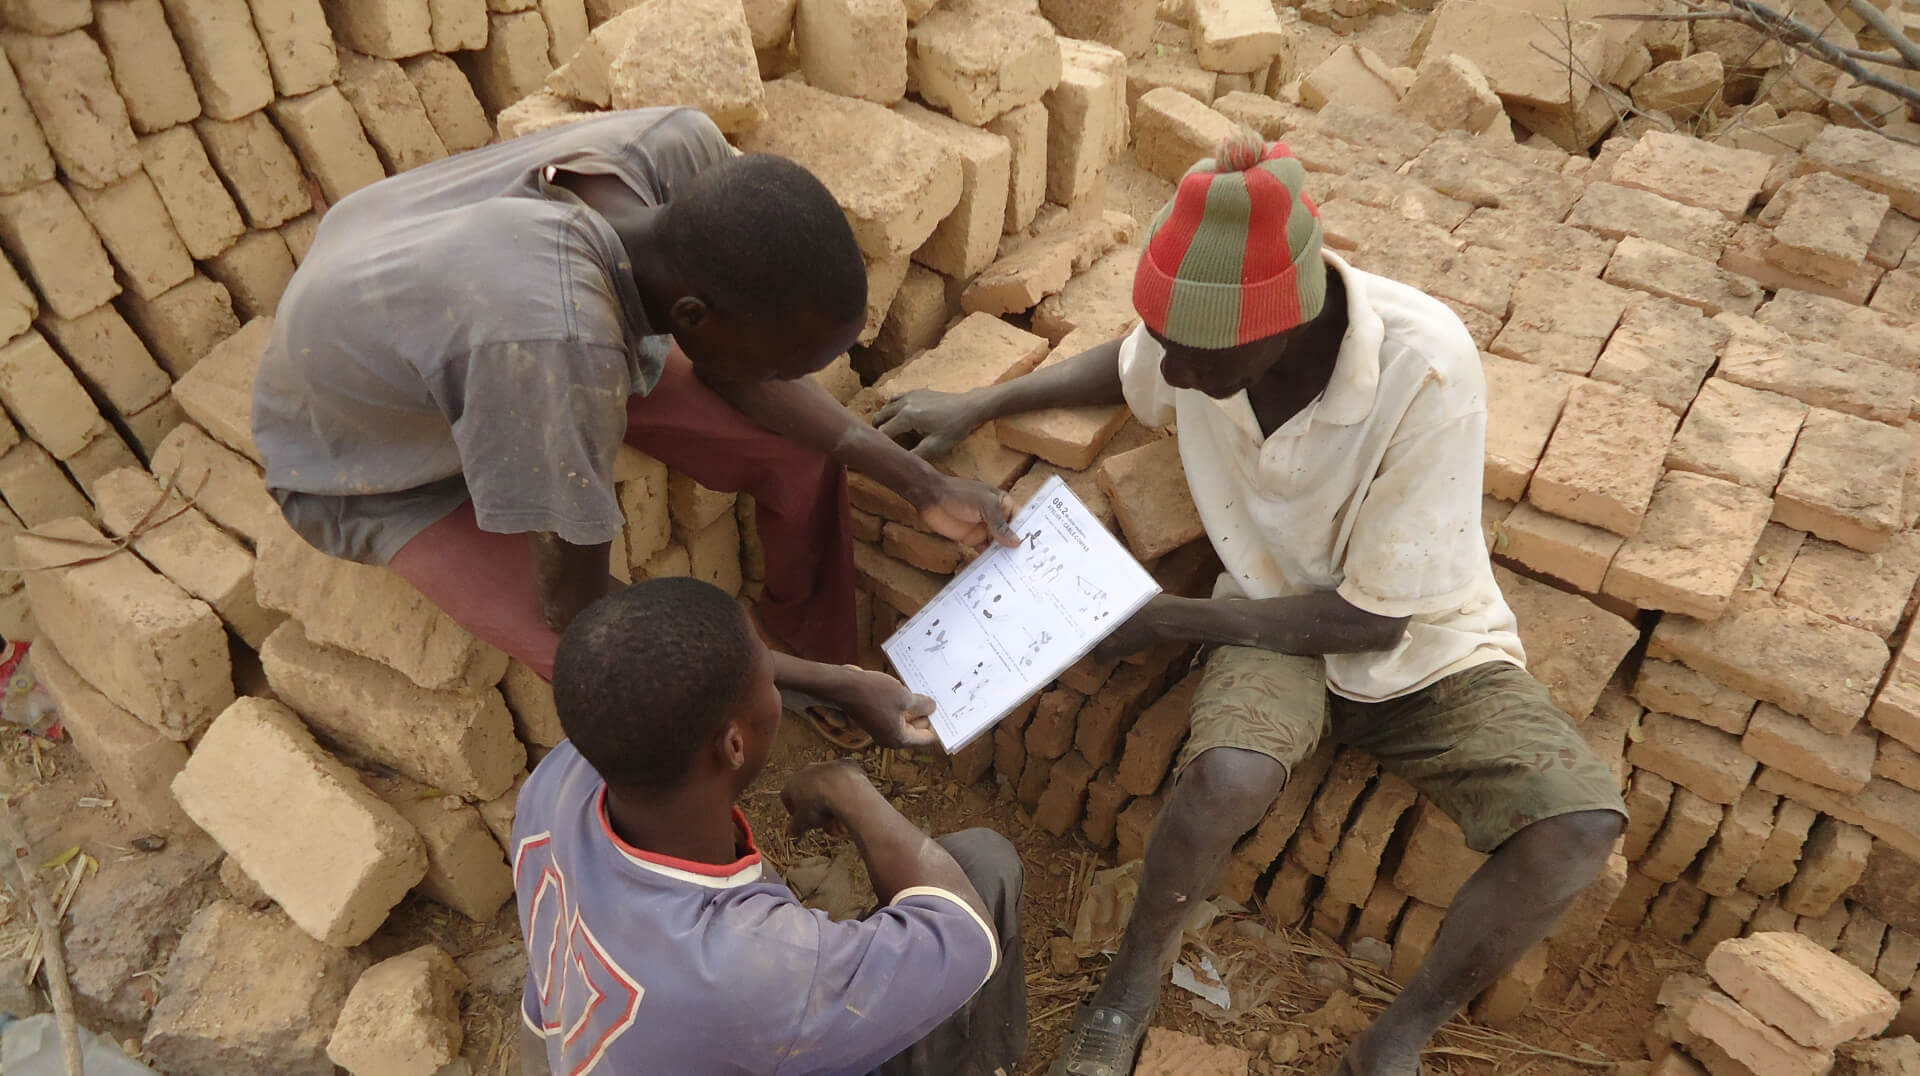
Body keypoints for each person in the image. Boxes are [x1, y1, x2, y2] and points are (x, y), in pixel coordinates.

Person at [873, 129, 1629, 1076]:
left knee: (1579, 825)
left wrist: (1167, 622)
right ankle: (1129, 988)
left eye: (1190, 357)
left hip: (1422, 638)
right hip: (1267, 616)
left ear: (1282, 329)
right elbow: (1128, 364)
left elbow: (1374, 621)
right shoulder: (1208, 339)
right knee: (1225, 779)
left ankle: (1398, 1036)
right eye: (1167, 345)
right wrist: (984, 403)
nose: (1172, 376)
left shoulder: (1427, 370)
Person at [253, 106, 1014, 748]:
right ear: (692, 317)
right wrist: (821, 685)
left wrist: (922, 483)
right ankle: (810, 691)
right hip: (362, 453)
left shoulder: (680, 149)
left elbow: (740, 374)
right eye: (781, 365)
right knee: (631, 676)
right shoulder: (558, 348)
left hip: (442, 284)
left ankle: (808, 644)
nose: (789, 380)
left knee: (800, 448)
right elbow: (581, 610)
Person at [511, 577, 1027, 1075]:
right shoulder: (748, 965)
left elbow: (705, 667)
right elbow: (963, 937)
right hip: (728, 1008)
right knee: (983, 864)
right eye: (769, 683)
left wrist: (843, 683)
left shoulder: (562, 778)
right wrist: (846, 787)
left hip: (587, 1044)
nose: (778, 691)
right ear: (734, 744)